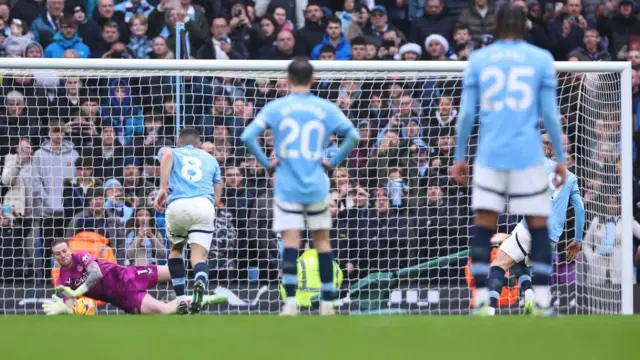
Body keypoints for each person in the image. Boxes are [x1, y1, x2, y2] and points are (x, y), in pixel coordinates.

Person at [450, 5, 566, 317]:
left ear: (497, 26)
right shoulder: (540, 59)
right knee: (538, 224)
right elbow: (551, 116)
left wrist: (459, 156)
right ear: (526, 26)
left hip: (490, 154)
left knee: (484, 225)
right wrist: (561, 157)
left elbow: (465, 116)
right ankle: (541, 301)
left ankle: (480, 302)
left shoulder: (479, 59)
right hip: (528, 154)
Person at [240, 58, 361, 316]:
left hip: (287, 185)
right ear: (313, 80)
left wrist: (267, 164)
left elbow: (247, 136)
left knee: (291, 242)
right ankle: (328, 301)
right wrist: (332, 162)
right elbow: (353, 136)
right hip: (317, 183)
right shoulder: (325, 107)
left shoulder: (277, 107)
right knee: (322, 242)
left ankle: (291, 302)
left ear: (286, 79)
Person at [487, 134, 585, 316]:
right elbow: (580, 210)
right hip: (550, 238)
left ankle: (489, 311)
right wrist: (577, 240)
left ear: (546, 149)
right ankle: (531, 296)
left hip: (529, 227)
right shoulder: (570, 178)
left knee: (498, 265)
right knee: (518, 259)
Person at [41, 239, 226, 315]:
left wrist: (78, 291)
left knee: (173, 270)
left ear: (69, 249)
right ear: (54, 258)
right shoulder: (63, 280)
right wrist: (66, 309)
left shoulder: (80, 256)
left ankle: (199, 256)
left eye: (64, 250)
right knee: (165, 310)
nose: (63, 255)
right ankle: (202, 299)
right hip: (123, 297)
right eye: (58, 254)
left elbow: (95, 273)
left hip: (127, 275)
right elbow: (70, 305)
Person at [153, 128, 222, 314]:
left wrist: (162, 188)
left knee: (176, 251)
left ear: (178, 143)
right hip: (203, 206)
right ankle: (200, 280)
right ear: (200, 145)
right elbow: (218, 194)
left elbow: (166, 154)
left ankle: (182, 299)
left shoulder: (173, 151)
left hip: (178, 205)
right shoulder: (212, 159)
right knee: (199, 256)